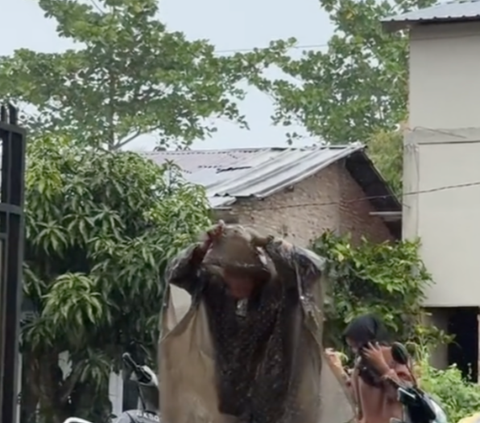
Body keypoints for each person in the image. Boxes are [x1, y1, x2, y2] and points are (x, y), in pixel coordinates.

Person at [157, 221, 355, 423]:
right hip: (226, 408)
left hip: (278, 408)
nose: (227, 276)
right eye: (226, 269)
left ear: (252, 273)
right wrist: (202, 248)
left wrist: (268, 242)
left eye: (235, 271)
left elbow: (311, 268)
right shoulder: (216, 292)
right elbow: (177, 275)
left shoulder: (280, 293)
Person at [327, 314, 413, 423]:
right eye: (352, 347)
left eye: (358, 345)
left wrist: (382, 367)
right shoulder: (361, 364)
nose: (355, 351)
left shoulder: (394, 357)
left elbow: (403, 396)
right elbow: (353, 399)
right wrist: (339, 371)